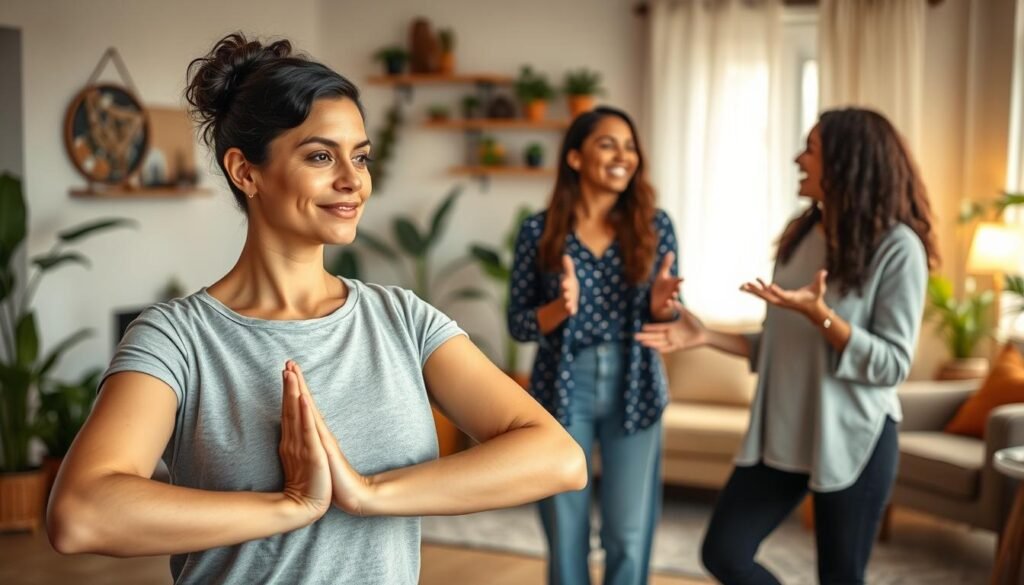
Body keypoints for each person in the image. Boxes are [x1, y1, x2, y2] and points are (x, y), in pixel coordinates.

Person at [46, 32, 586, 585]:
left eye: (361, 157)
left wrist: (367, 493)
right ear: (245, 171)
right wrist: (290, 505)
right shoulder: (177, 339)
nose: (353, 180)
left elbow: (558, 457)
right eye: (321, 156)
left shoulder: (404, 320)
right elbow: (80, 515)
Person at [636, 108, 940, 585]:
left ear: (848, 161)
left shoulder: (898, 248)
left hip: (855, 439)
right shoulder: (802, 235)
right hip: (783, 434)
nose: (799, 158)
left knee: (841, 577)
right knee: (724, 553)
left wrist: (819, 314)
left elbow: (892, 365)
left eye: (812, 149)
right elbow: (784, 347)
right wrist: (704, 336)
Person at [508, 106, 681, 585]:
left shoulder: (655, 225)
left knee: (629, 531)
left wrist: (665, 306)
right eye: (608, 144)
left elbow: (667, 319)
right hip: (562, 388)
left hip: (636, 381)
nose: (623, 156)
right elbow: (519, 323)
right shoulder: (537, 231)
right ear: (577, 158)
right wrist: (558, 310)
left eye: (629, 146)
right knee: (565, 527)